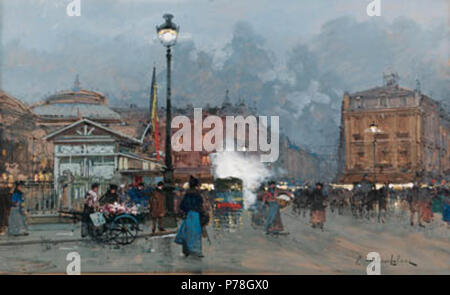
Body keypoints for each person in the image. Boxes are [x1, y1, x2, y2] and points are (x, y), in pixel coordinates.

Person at [175, 176, 204, 257]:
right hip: (196, 215)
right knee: (196, 233)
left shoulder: (187, 194)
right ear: (196, 186)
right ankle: (196, 250)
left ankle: (186, 251)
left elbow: (182, 206)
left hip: (188, 215)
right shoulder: (198, 195)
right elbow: (200, 205)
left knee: (186, 232)